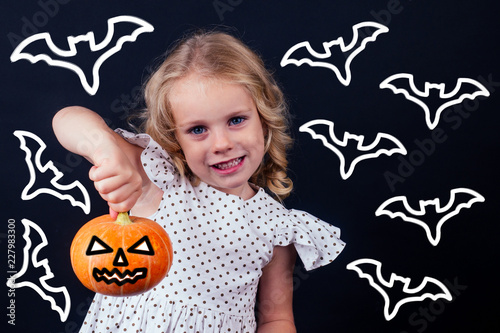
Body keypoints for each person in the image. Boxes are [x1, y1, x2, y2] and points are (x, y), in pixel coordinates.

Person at [53, 30, 345, 333]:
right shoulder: (159, 181)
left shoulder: (278, 226)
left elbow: (276, 318)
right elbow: (67, 118)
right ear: (174, 137)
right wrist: (105, 149)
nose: (221, 144)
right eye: (197, 130)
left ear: (263, 117)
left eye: (236, 120)